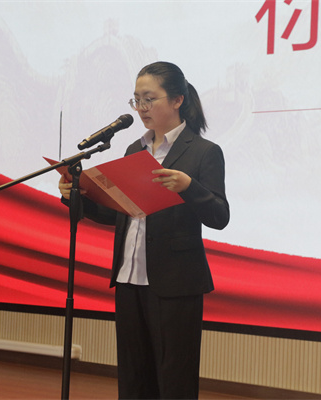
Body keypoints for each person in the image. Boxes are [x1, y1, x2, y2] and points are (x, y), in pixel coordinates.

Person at [59, 61, 229, 399]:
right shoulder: (133, 150)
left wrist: (189, 187)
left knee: (174, 379)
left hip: (175, 284)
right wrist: (76, 197)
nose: (141, 108)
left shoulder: (203, 152)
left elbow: (219, 216)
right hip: (129, 279)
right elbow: (122, 214)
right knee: (133, 377)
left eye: (149, 99)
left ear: (177, 100)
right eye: (136, 100)